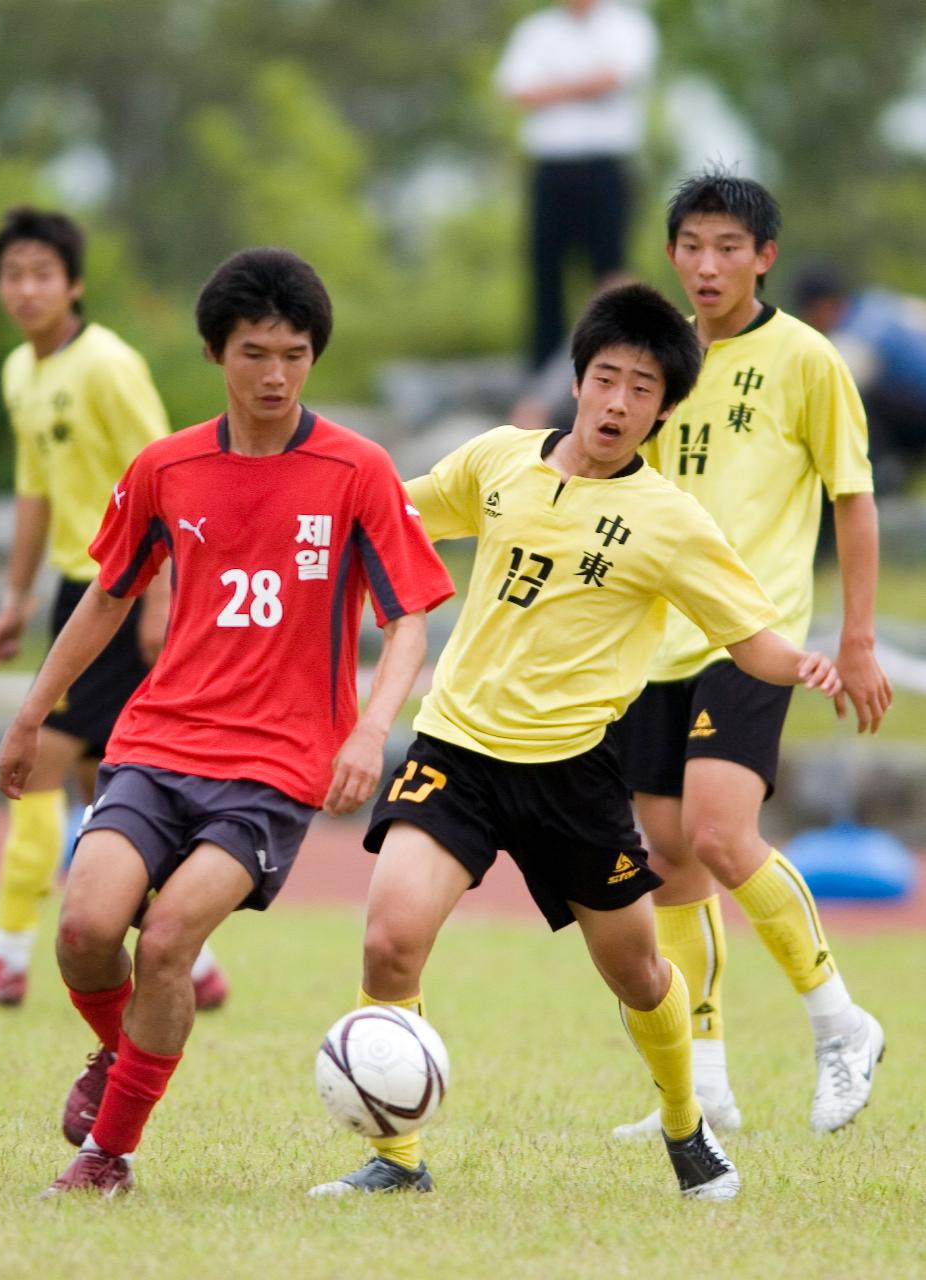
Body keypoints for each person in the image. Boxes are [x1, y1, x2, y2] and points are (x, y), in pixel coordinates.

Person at [309, 283, 844, 1203]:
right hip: (458, 750)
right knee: (390, 942)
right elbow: (398, 515)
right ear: (578, 380)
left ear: (665, 410)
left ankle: (686, 1126)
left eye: (643, 390)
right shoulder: (500, 462)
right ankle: (398, 1162)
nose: (618, 403)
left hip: (574, 774)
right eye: (606, 379)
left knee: (638, 973)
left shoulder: (672, 522)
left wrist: (808, 664)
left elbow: (749, 637)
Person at [0, 246, 454, 1197]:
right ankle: (120, 1055)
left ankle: (108, 1155)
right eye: (255, 352)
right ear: (216, 354)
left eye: (294, 352)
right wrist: (33, 710)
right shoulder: (166, 468)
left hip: (278, 766)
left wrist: (371, 729)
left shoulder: (358, 470)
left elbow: (410, 614)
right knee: (83, 930)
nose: (276, 374)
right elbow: (105, 596)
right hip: (157, 743)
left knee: (166, 943)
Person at [611, 171, 892, 1143]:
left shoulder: (806, 359)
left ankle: (840, 1021)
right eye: (691, 243)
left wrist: (852, 638)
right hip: (651, 640)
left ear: (763, 255)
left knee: (723, 834)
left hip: (751, 630)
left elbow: (852, 500)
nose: (707, 263)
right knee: (669, 856)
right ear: (671, 253)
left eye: (728, 244)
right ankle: (706, 1083)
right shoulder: (653, 356)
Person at [0, 206, 229, 1014]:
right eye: (13, 275)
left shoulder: (107, 365)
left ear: (75, 282)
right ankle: (196, 966)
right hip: (74, 592)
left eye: (42, 274)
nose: (26, 290)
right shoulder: (19, 372)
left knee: (38, 766)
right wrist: (14, 598)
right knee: (112, 779)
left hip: (129, 586)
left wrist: (161, 595)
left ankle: (5, 956)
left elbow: (169, 474)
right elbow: (34, 492)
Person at [495, 0, 658, 372]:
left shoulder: (626, 24)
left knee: (610, 270)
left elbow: (617, 77)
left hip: (605, 165)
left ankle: (618, 361)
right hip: (551, 166)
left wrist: (551, 89)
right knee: (545, 273)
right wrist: (587, 84)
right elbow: (516, 90)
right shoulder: (536, 30)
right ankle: (541, 375)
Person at [794, 265, 926, 494]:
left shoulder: (852, 337)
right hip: (915, 405)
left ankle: (883, 476)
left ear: (821, 306)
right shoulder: (879, 301)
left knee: (853, 401)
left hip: (917, 413)